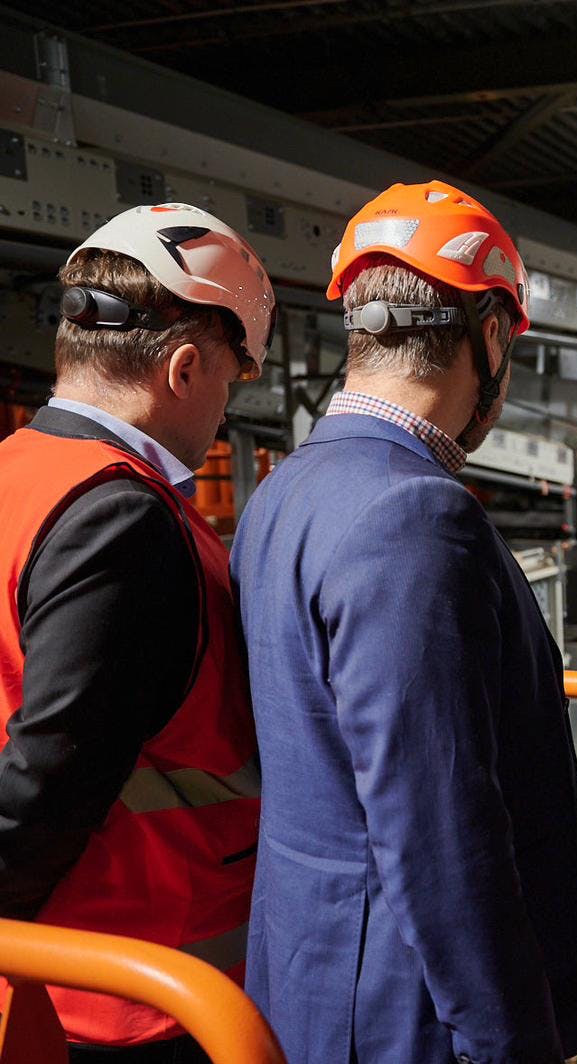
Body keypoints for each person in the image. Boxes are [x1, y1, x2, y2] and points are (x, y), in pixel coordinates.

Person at [230, 180, 577, 1064]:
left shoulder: (284, 490)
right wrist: (509, 1045)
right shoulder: (413, 517)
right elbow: (440, 833)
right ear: (489, 336)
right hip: (410, 1015)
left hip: (312, 977)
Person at [0, 204, 274, 1062]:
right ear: (186, 368)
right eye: (231, 380)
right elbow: (50, 775)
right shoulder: (123, 518)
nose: (223, 413)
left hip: (53, 978)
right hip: (140, 990)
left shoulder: (17, 475)